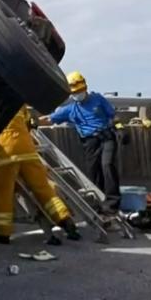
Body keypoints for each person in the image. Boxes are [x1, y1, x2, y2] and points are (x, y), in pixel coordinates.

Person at [0, 107, 81, 245]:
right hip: (28, 150)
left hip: (5, 153)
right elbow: (30, 123)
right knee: (43, 188)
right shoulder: (20, 105)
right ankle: (65, 219)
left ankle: (2, 233)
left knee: (3, 193)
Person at [41, 71, 122, 208]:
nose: (77, 94)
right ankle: (97, 202)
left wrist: (120, 128)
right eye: (74, 92)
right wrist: (32, 121)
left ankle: (112, 201)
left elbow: (113, 116)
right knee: (93, 172)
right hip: (90, 142)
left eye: (79, 91)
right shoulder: (70, 110)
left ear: (85, 88)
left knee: (107, 165)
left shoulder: (98, 99)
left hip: (106, 137)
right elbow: (50, 119)